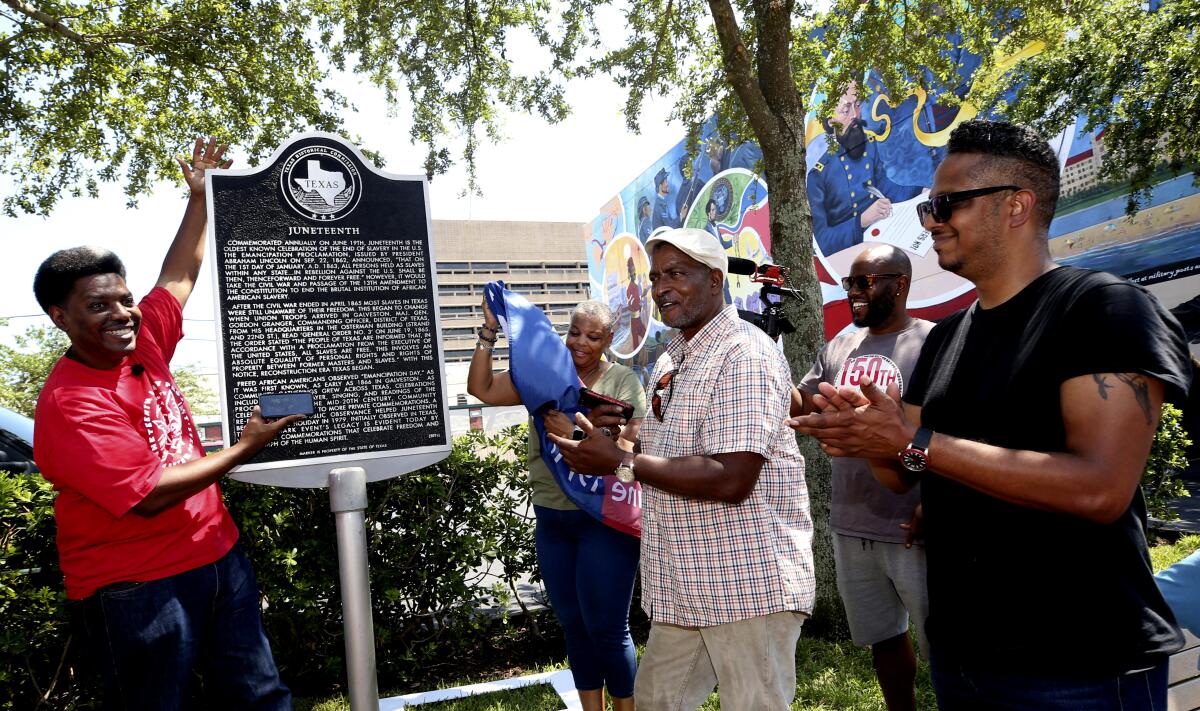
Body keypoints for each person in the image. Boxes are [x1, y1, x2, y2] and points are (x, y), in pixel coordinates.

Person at [791, 119, 1191, 709]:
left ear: (1016, 206)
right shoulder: (949, 336)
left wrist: (915, 439)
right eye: (929, 206)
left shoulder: (1102, 309)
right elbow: (904, 473)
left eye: (946, 204)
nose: (930, 221)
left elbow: (1100, 487)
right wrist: (868, 434)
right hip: (964, 660)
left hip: (1078, 666)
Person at [32, 138, 304, 710]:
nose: (121, 313)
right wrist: (246, 447)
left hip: (217, 556)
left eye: (124, 299)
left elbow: (179, 275)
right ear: (61, 317)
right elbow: (150, 495)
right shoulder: (70, 402)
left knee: (261, 696)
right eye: (98, 306)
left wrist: (199, 199)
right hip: (136, 587)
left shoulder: (144, 339)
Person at [552, 227, 814, 710]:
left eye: (676, 274)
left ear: (716, 280)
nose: (660, 288)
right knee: (654, 703)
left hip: (746, 585)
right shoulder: (675, 352)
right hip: (685, 584)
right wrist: (616, 434)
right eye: (655, 277)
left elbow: (732, 477)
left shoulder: (746, 353)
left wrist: (622, 463)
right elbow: (666, 444)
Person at [467, 299, 647, 711]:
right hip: (552, 519)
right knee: (575, 627)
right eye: (575, 332)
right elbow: (481, 389)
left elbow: (626, 454)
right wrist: (488, 331)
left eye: (594, 336)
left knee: (607, 629)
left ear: (609, 341)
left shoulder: (624, 383)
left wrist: (578, 434)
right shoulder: (543, 376)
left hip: (603, 521)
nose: (581, 343)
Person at [790, 244, 931, 711]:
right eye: (849, 283)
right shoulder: (841, 344)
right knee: (884, 639)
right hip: (853, 525)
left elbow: (952, 432)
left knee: (949, 650)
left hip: (916, 526)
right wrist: (765, 357)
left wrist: (938, 501)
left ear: (901, 284)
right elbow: (804, 402)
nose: (853, 292)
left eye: (864, 282)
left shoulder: (933, 342)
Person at [808, 82, 923, 256]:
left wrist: (921, 191)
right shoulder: (819, 174)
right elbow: (822, 241)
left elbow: (886, 188)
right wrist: (861, 221)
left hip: (882, 236)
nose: (855, 115)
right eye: (846, 110)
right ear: (830, 119)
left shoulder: (869, 144)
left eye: (858, 105)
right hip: (850, 254)